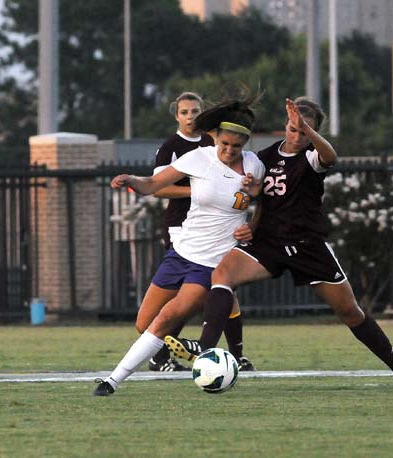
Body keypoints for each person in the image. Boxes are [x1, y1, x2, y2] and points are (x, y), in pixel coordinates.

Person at [164, 97, 393, 394]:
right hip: (268, 243)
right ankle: (206, 347)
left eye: (304, 131)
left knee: (350, 313)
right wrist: (250, 221)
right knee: (222, 275)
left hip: (306, 246)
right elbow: (258, 200)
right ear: (286, 125)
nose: (297, 136)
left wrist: (310, 133)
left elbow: (330, 156)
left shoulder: (312, 156)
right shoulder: (265, 158)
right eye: (293, 129)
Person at [93, 96, 265, 396]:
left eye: (236, 147)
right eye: (224, 144)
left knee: (167, 317)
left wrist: (253, 220)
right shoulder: (199, 158)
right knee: (145, 323)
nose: (228, 151)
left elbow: (264, 203)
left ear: (245, 145)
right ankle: (201, 350)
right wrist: (131, 180)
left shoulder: (254, 167)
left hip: (212, 264)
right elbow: (153, 184)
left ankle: (111, 381)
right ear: (216, 137)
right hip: (181, 252)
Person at [142, 91, 254, 372]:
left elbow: (241, 182)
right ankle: (162, 352)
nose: (190, 116)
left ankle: (234, 354)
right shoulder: (171, 147)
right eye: (184, 112)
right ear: (176, 116)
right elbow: (159, 187)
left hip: (215, 230)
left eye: (195, 111)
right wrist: (201, 188)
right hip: (182, 226)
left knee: (224, 288)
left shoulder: (213, 142)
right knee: (183, 298)